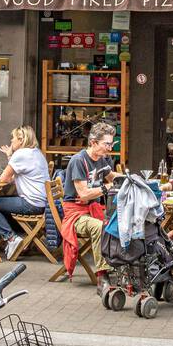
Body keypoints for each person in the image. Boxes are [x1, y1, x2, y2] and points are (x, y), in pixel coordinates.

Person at [61, 122, 116, 284]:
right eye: (107, 144)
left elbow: (112, 177)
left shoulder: (101, 159)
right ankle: (102, 275)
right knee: (99, 227)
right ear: (93, 142)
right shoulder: (78, 161)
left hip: (92, 210)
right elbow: (83, 195)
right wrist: (107, 188)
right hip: (75, 215)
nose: (110, 148)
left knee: (118, 221)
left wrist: (132, 180)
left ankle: (116, 265)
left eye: (111, 144)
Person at [0, 125, 49, 259]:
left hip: (31, 204)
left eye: (13, 138)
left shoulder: (21, 154)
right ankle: (21, 238)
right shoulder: (36, 152)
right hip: (42, 203)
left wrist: (11, 155)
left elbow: (4, 179)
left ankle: (11, 239)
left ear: (21, 140)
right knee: (4, 204)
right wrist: (10, 155)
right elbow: (14, 175)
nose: (11, 141)